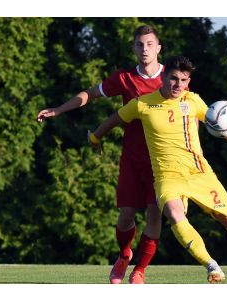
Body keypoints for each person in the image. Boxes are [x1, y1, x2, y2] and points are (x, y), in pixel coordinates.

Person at [88, 55, 227, 284]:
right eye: (174, 79)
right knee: (173, 213)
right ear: (163, 76)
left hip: (199, 172)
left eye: (183, 80)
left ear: (188, 81)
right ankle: (211, 266)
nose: (178, 85)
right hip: (167, 177)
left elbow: (219, 124)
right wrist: (95, 137)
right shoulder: (142, 103)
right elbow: (114, 119)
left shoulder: (193, 101)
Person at [37, 25, 165, 284]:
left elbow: (190, 113)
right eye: (140, 45)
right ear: (133, 48)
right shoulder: (125, 77)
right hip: (132, 157)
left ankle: (139, 271)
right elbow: (91, 94)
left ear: (159, 48)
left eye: (150, 44)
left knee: (155, 214)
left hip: (161, 160)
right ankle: (124, 255)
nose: (145, 49)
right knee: (126, 214)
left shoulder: (171, 79)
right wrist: (59, 109)